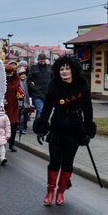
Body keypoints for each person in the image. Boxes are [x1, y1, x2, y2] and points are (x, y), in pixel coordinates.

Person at [32, 56, 96, 206]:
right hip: (57, 127)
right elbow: (47, 107)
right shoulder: (54, 84)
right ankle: (50, 191)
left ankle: (61, 192)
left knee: (68, 162)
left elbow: (88, 108)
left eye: (67, 68)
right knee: (55, 161)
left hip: (75, 128)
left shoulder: (82, 84)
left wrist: (87, 129)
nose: (64, 71)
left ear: (73, 70)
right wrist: (41, 128)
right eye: (61, 69)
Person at [28, 53, 53, 142]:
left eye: (44, 60)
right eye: (41, 60)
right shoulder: (33, 68)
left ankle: (42, 125)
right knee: (40, 109)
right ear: (38, 60)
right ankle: (38, 128)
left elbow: (53, 78)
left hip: (48, 93)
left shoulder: (50, 68)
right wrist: (33, 88)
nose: (42, 62)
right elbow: (29, 79)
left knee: (46, 111)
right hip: (37, 93)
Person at [3, 62, 20, 152]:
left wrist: (21, 95)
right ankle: (1, 143)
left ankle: (12, 143)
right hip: (4, 106)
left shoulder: (16, 79)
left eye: (11, 72)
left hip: (14, 105)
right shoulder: (2, 80)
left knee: (14, 124)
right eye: (7, 72)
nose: (9, 74)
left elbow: (19, 89)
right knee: (2, 125)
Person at [17, 66, 30, 134]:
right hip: (20, 102)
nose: (23, 75)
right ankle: (21, 128)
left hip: (26, 101)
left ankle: (24, 127)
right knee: (20, 115)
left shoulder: (27, 81)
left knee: (25, 116)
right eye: (21, 74)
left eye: (24, 74)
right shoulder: (17, 82)